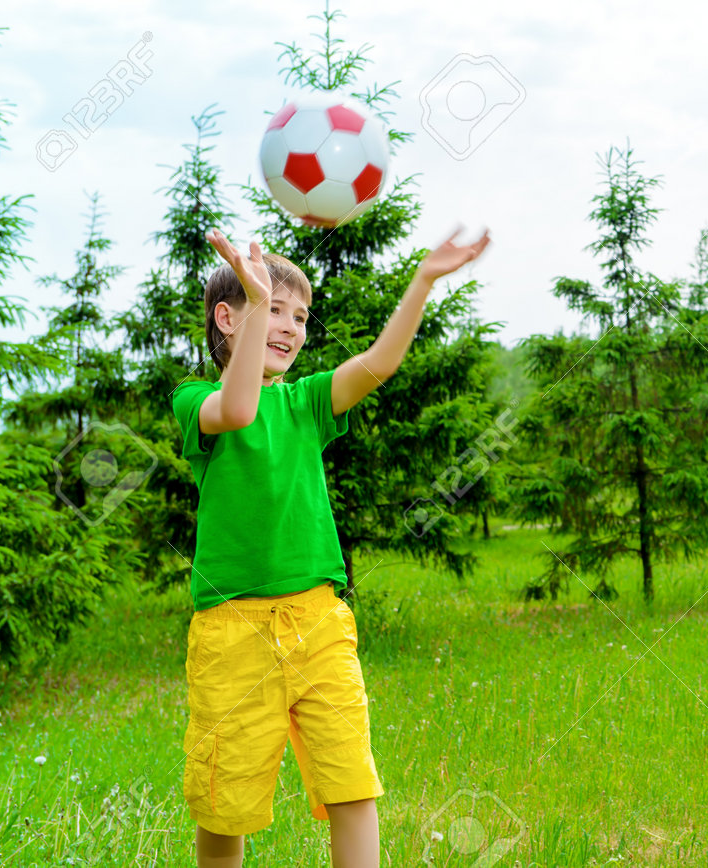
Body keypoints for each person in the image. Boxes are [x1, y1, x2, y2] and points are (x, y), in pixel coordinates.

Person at [172, 226, 490, 868]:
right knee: (225, 799)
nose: (288, 326)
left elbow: (378, 363)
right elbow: (237, 411)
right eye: (272, 310)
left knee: (350, 782)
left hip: (319, 621)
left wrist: (423, 281)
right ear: (226, 318)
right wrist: (261, 306)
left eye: (298, 315)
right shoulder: (196, 399)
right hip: (232, 632)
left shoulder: (309, 402)